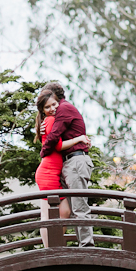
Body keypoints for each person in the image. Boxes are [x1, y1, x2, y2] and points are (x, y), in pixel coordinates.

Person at [39, 81, 94, 247]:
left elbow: (54, 138)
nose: (53, 108)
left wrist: (43, 152)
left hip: (76, 161)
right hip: (71, 162)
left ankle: (86, 246)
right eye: (48, 106)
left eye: (53, 103)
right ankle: (81, 245)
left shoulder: (64, 109)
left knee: (79, 208)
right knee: (72, 209)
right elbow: (54, 135)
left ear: (56, 97)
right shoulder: (56, 114)